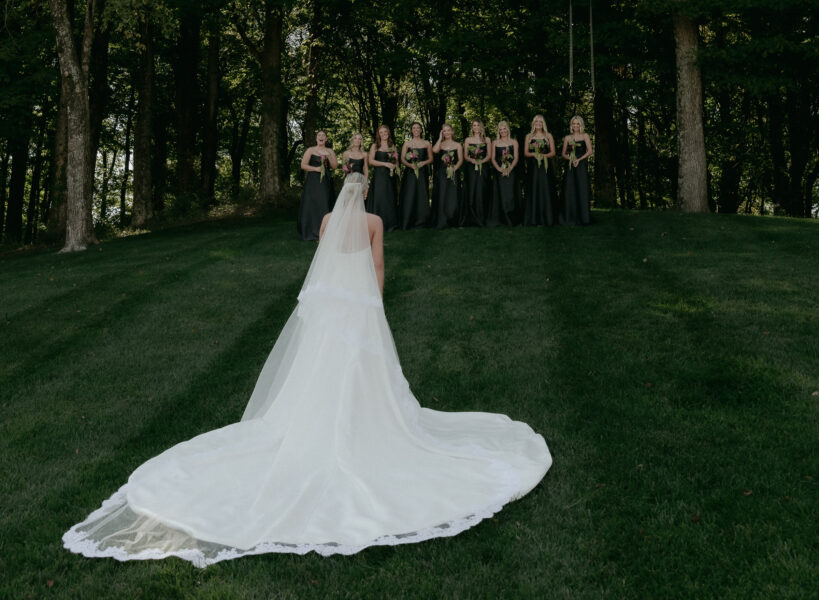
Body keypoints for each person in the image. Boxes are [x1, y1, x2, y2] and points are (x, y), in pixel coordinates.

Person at [63, 173, 551, 564]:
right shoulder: (376, 221)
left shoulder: (324, 221)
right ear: (366, 196)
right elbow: (378, 269)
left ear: (341, 196)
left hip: (329, 308)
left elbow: (322, 264)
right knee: (364, 366)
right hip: (358, 307)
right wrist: (373, 303)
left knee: (319, 366)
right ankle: (362, 422)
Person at [296, 130, 338, 240]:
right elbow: (303, 165)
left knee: (324, 203)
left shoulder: (330, 151)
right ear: (316, 138)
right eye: (319, 135)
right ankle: (310, 230)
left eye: (323, 135)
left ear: (326, 139)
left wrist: (328, 156)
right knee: (312, 204)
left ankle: (325, 232)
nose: (321, 137)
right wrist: (316, 169)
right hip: (313, 181)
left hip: (325, 181)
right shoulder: (310, 150)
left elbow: (334, 166)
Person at [523, 115, 557, 227]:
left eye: (540, 122)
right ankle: (533, 218)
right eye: (536, 121)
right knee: (534, 189)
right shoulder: (529, 136)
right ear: (533, 123)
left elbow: (553, 153)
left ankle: (547, 218)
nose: (538, 123)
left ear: (543, 124)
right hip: (533, 167)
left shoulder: (548, 136)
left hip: (545, 167)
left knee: (545, 189)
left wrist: (543, 155)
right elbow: (526, 153)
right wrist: (534, 154)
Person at [560, 115, 593, 226]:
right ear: (571, 125)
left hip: (581, 165)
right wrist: (571, 159)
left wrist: (579, 159)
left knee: (582, 189)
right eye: (573, 124)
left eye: (577, 124)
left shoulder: (585, 136)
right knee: (570, 190)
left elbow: (589, 151)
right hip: (570, 166)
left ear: (581, 125)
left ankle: (584, 218)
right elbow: (564, 154)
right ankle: (570, 218)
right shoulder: (568, 138)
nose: (575, 126)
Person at [399, 122, 432, 229]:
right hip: (410, 172)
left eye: (418, 128)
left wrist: (423, 163)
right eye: (414, 128)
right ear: (411, 130)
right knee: (410, 194)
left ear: (421, 130)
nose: (416, 130)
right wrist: (410, 165)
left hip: (422, 172)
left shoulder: (427, 143)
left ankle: (422, 221)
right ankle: (407, 220)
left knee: (421, 194)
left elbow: (431, 159)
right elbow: (402, 159)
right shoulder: (407, 144)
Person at [366, 124, 399, 232]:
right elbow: (370, 161)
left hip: (390, 176)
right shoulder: (375, 146)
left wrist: (395, 166)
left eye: (385, 132)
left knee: (389, 198)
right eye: (381, 132)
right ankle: (377, 225)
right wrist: (385, 164)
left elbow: (396, 161)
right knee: (380, 198)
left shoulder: (392, 146)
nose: (384, 134)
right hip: (379, 176)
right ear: (378, 134)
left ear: (388, 132)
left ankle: (390, 224)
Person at [487, 120, 521, 227]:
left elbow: (516, 157)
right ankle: (500, 219)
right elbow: (492, 158)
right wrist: (500, 169)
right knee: (500, 194)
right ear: (499, 131)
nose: (503, 131)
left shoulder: (514, 142)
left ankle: (513, 219)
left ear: (508, 129)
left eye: (504, 128)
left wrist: (509, 169)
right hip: (499, 172)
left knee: (511, 194)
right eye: (500, 129)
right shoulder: (495, 143)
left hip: (511, 171)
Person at [431, 123, 463, 229]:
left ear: (452, 131)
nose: (447, 132)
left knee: (453, 196)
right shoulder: (441, 144)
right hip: (442, 173)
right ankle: (442, 220)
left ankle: (453, 219)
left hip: (454, 172)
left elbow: (461, 160)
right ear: (442, 132)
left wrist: (454, 169)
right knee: (443, 195)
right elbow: (434, 150)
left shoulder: (458, 145)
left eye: (448, 130)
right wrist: (440, 138)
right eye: (444, 131)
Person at [461, 119, 491, 226]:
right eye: (474, 125)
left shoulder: (486, 139)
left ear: (481, 127)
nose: (476, 127)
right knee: (472, 189)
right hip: (471, 167)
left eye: (478, 125)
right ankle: (471, 217)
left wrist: (481, 161)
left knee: (482, 189)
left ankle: (483, 216)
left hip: (484, 167)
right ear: (472, 128)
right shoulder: (468, 139)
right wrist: (473, 160)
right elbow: (465, 156)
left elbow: (489, 155)